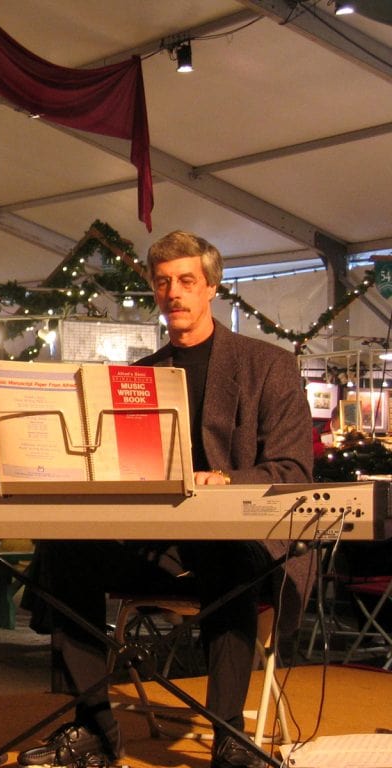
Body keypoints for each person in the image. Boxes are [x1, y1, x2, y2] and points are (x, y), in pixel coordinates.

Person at [19, 231, 313, 768]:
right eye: (162, 282)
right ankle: (96, 731)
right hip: (158, 547)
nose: (173, 291)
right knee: (62, 550)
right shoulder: (141, 376)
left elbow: (292, 469)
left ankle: (228, 737)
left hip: (238, 543)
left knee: (226, 549)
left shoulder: (266, 365)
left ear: (211, 287)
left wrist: (225, 481)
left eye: (185, 280)